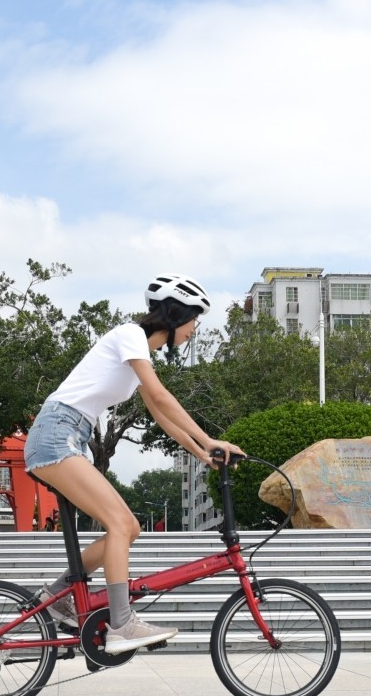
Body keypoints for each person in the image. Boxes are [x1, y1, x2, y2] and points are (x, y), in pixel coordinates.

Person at [23, 273, 245, 655]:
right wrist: (210, 438)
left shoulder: (139, 354)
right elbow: (160, 395)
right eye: (194, 320)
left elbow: (160, 413)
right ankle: (122, 624)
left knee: (128, 528)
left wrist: (202, 453)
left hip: (69, 435)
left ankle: (58, 595)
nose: (194, 330)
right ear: (176, 315)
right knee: (120, 524)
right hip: (56, 434)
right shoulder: (130, 335)